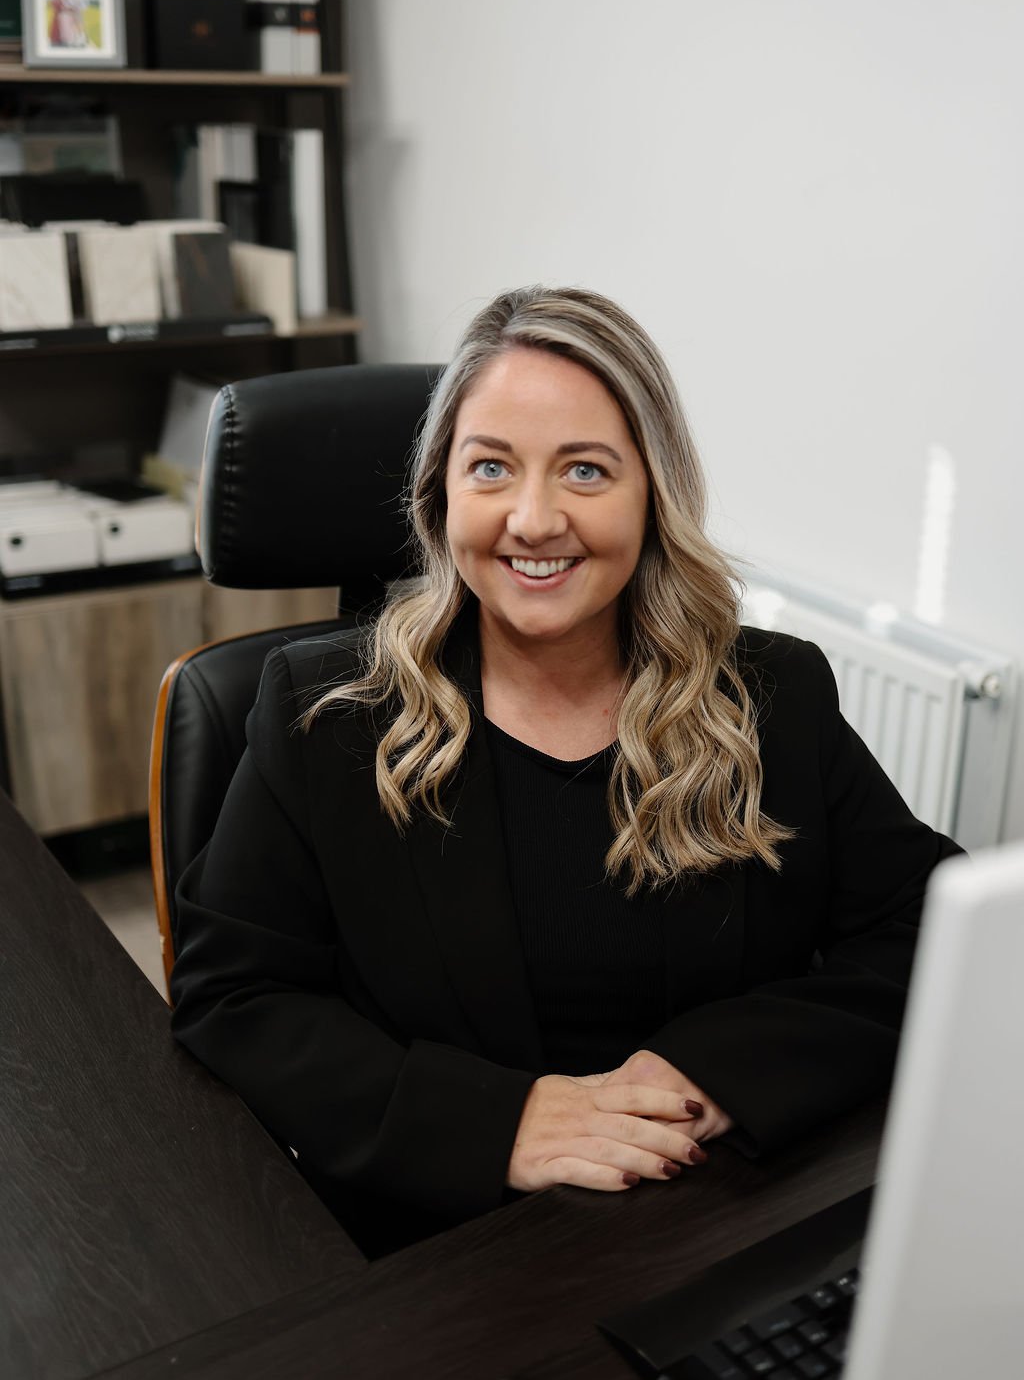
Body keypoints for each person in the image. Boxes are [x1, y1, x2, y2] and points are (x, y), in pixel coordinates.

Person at [170, 285, 962, 1257]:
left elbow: (927, 923)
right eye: (491, 466)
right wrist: (498, 1121)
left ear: (650, 493)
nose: (534, 518)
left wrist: (712, 1067)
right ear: (439, 493)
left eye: (584, 469)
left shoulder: (768, 696)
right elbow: (234, 996)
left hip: (712, 1223)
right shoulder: (321, 713)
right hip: (448, 1255)